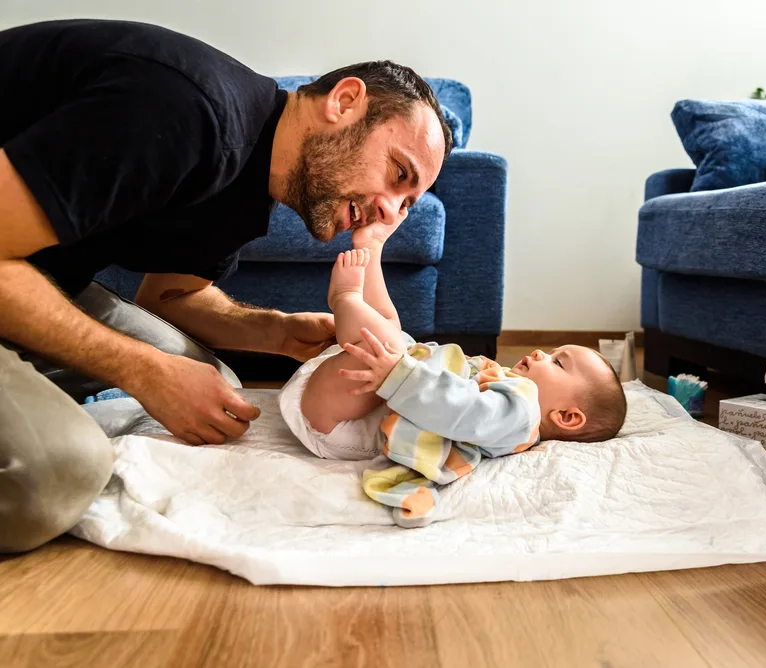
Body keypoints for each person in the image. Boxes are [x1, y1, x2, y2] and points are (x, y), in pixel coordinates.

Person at [0, 18, 452, 552]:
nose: (388, 211)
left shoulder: (252, 176)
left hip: (33, 269)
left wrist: (279, 333)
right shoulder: (188, 112)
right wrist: (140, 368)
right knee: (55, 475)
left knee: (215, 385)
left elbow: (171, 298)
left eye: (406, 205)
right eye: (398, 174)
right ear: (345, 101)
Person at [278, 245, 628, 527]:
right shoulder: (504, 387)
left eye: (557, 362)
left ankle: (345, 298)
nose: (541, 353)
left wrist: (399, 374)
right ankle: (371, 248)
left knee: (390, 345)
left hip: (343, 422)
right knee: (396, 334)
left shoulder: (521, 414)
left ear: (567, 416)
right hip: (351, 396)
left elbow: (463, 411)